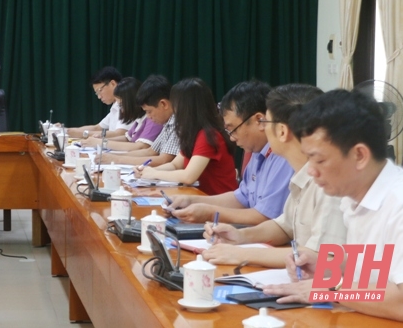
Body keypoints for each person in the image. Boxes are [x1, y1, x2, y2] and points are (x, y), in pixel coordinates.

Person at [261, 90, 403, 324]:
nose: (311, 171)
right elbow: (373, 267)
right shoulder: (353, 196)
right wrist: (325, 266)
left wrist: (331, 288)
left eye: (319, 160)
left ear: (359, 155)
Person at [202, 84, 347, 267]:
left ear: (282, 131)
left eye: (267, 122)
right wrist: (240, 236)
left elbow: (324, 258)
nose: (263, 128)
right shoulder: (302, 173)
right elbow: (284, 227)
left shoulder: (329, 183)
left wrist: (243, 254)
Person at [165, 81, 294, 225]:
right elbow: (242, 198)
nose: (231, 138)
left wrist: (210, 213)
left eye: (233, 129)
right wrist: (191, 201)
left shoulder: (283, 156)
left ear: (259, 120)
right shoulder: (257, 152)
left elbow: (267, 218)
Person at [137, 78, 237, 196]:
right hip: (201, 199)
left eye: (176, 106)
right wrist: (147, 171)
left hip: (217, 202)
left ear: (186, 108)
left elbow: (188, 176)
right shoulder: (194, 133)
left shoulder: (209, 135)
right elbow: (174, 165)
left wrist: (154, 174)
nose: (175, 112)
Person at [100, 75, 180, 168]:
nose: (148, 117)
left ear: (163, 104)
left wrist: (117, 159)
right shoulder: (167, 123)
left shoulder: (177, 123)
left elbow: (163, 160)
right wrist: (114, 157)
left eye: (149, 111)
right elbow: (150, 151)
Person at [81, 77, 162, 152]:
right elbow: (127, 138)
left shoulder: (152, 119)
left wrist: (103, 143)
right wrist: (101, 140)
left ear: (131, 102)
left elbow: (141, 147)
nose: (121, 111)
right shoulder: (139, 120)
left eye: (121, 105)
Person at [66, 67, 131, 139]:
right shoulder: (115, 105)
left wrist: (83, 134)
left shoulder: (128, 103)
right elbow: (97, 127)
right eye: (97, 93)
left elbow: (120, 133)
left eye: (99, 90)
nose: (99, 97)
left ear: (112, 84)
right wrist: (66, 131)